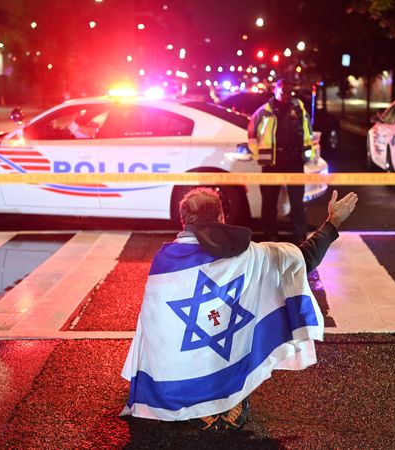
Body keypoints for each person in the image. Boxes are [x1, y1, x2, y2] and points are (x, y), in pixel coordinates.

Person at [121, 187, 358, 431]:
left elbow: (153, 329)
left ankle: (195, 399)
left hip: (178, 375)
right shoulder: (251, 254)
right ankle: (229, 396)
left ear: (182, 221)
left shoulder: (165, 262)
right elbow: (302, 258)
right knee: (241, 327)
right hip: (229, 344)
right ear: (222, 217)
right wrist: (332, 222)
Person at [248, 78, 318, 243]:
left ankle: (299, 236)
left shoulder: (298, 108)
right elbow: (252, 136)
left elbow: (308, 131)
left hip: (294, 162)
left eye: (289, 91)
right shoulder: (264, 112)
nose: (286, 95)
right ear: (275, 90)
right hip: (272, 163)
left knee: (297, 202)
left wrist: (308, 155)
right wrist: (261, 157)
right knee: (269, 202)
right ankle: (269, 234)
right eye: (283, 91)